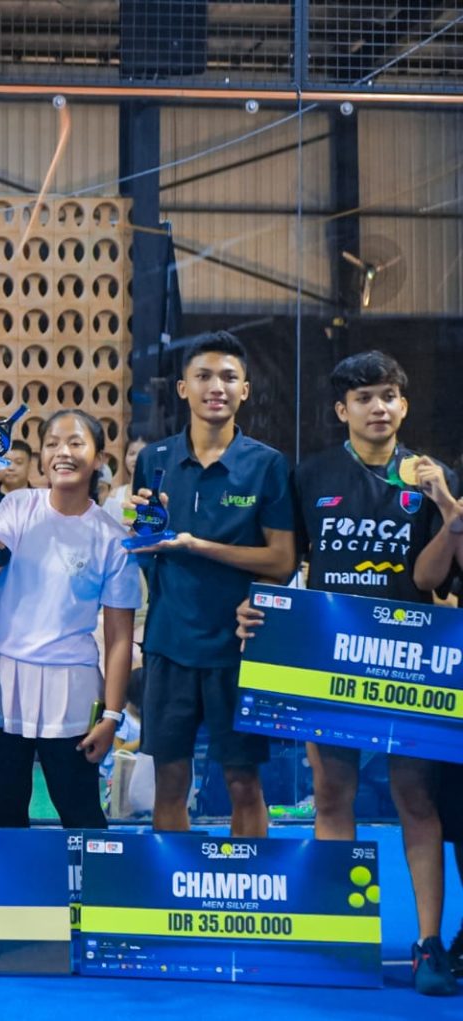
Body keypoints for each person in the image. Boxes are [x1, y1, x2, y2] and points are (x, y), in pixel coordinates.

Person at [236, 351, 461, 996]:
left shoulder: (433, 476)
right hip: (325, 659)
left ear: (404, 405)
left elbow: (430, 577)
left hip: (409, 664)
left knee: (416, 799)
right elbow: (287, 562)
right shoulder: (310, 475)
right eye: (364, 399)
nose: (378, 408)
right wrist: (256, 610)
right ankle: (342, 937)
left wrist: (447, 509)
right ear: (342, 411)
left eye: (388, 396)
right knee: (332, 795)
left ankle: (427, 944)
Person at [126, 331, 295, 838]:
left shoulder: (267, 464)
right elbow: (145, 546)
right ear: (183, 388)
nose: (215, 387)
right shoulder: (154, 460)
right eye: (203, 376)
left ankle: (250, 880)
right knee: (170, 782)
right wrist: (142, 539)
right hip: (168, 645)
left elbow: (282, 559)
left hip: (238, 648)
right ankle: (173, 884)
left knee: (243, 783)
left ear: (245, 390)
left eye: (228, 377)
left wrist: (198, 546)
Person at [0, 409, 141, 829]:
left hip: (72, 687)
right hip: (5, 683)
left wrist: (112, 716)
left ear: (99, 459)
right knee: (3, 814)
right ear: (41, 458)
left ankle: (91, 877)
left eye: (76, 443)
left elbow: (119, 636)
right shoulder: (18, 506)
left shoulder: (113, 538)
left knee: (81, 814)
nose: (63, 452)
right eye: (52, 444)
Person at [102, 436, 148, 523]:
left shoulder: (159, 497)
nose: (136, 459)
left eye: (142, 454)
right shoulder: (114, 495)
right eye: (132, 453)